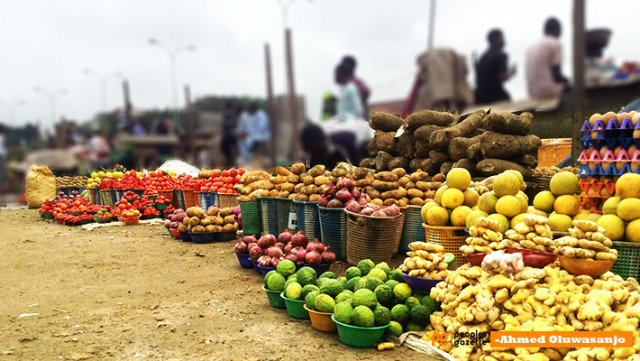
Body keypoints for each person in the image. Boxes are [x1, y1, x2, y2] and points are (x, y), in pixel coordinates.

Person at [526, 17, 569, 99]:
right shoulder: (555, 43)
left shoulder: (532, 47)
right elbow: (557, 75)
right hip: (548, 91)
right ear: (558, 30)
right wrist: (568, 82)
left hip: (532, 93)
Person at [475, 29, 515, 104]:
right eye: (502, 38)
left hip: (479, 97)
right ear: (497, 39)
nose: (504, 40)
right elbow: (501, 78)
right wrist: (512, 73)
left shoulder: (483, 57)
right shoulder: (501, 55)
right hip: (495, 97)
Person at [220, 101, 237, 167]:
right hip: (229, 134)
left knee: (225, 146)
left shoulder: (227, 114)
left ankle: (230, 160)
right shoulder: (228, 113)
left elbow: (227, 124)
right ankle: (230, 160)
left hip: (229, 135)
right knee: (226, 147)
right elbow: (227, 124)